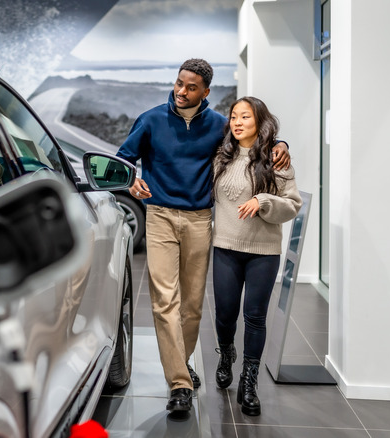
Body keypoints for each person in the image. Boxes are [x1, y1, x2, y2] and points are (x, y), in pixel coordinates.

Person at [116, 59, 290, 413]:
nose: (181, 91)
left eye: (191, 87)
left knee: (193, 304)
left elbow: (251, 140)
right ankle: (179, 383)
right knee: (165, 301)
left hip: (199, 220)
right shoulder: (150, 120)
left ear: (205, 92)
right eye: (179, 83)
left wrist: (281, 143)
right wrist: (131, 180)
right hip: (160, 216)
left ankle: (181, 362)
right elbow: (123, 159)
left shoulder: (218, 126)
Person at [211, 96, 301, 416]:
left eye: (245, 117)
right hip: (225, 247)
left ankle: (249, 382)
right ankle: (226, 354)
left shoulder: (277, 159)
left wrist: (263, 201)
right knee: (225, 314)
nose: (237, 122)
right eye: (234, 116)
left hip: (263, 251)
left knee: (255, 316)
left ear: (259, 122)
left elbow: (292, 205)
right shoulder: (221, 156)